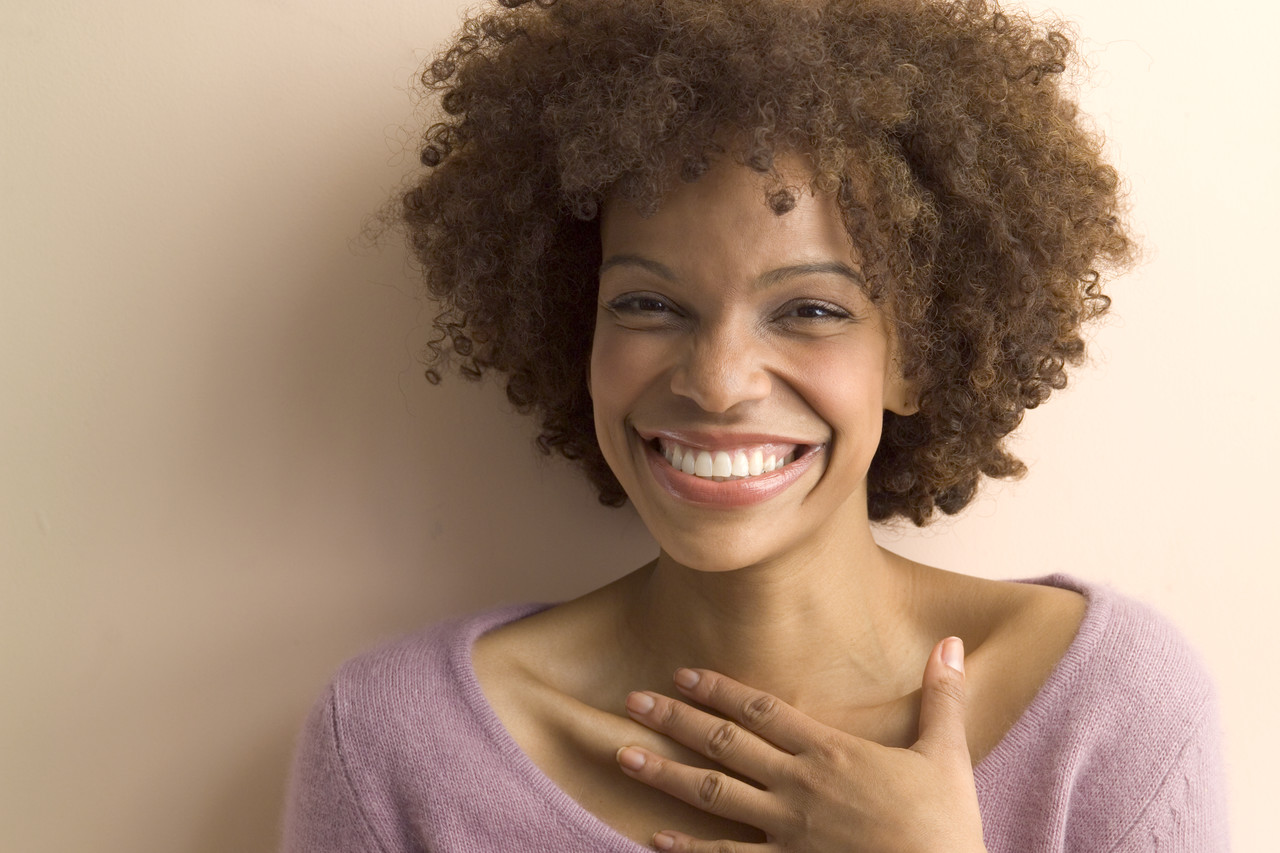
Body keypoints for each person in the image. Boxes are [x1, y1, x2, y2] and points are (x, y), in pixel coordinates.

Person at [282, 0, 1227, 850]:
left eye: (810, 310)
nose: (719, 382)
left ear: (918, 355)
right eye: (649, 304)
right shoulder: (395, 749)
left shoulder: (1108, 710)